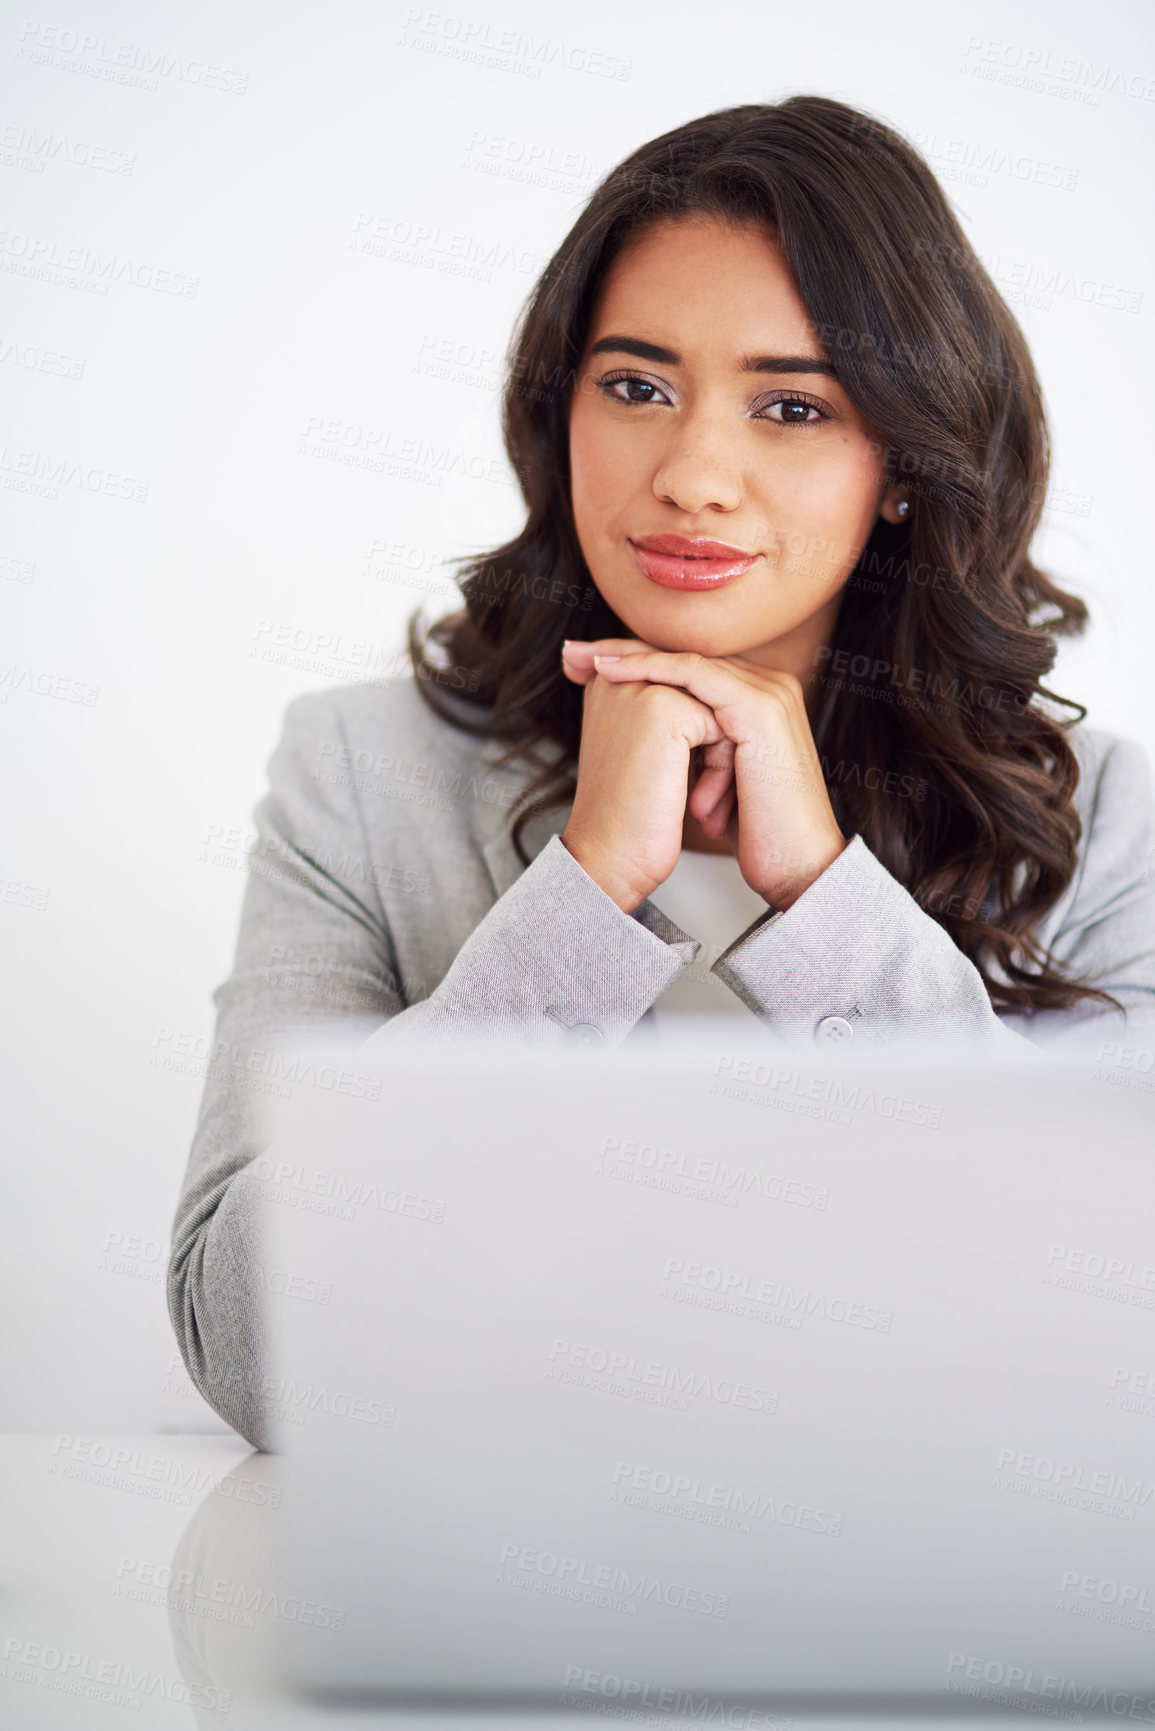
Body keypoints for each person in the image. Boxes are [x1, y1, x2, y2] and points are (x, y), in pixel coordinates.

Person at [168, 97, 1155, 1448]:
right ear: (557, 413)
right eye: (636, 386)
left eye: (793, 406)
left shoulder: (1100, 819)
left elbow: (1105, 1356)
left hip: (919, 1620)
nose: (695, 474)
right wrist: (584, 899)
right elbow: (254, 1360)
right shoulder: (360, 772)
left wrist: (824, 903)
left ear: (908, 468)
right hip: (483, 1606)